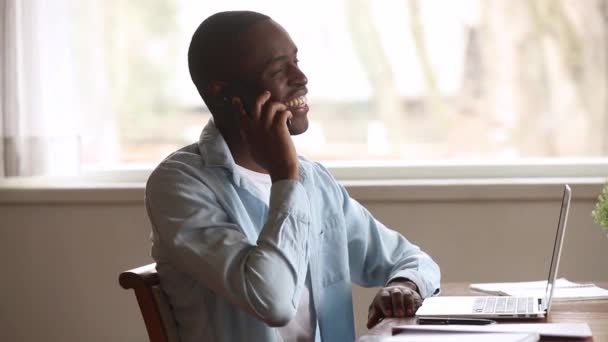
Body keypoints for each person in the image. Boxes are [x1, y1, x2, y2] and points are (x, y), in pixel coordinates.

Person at [145, 10, 440, 342]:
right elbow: (272, 302)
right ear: (224, 93)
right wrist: (284, 177)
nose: (301, 78)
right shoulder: (179, 185)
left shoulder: (313, 180)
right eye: (277, 69)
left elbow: (412, 259)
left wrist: (404, 284)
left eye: (296, 61)